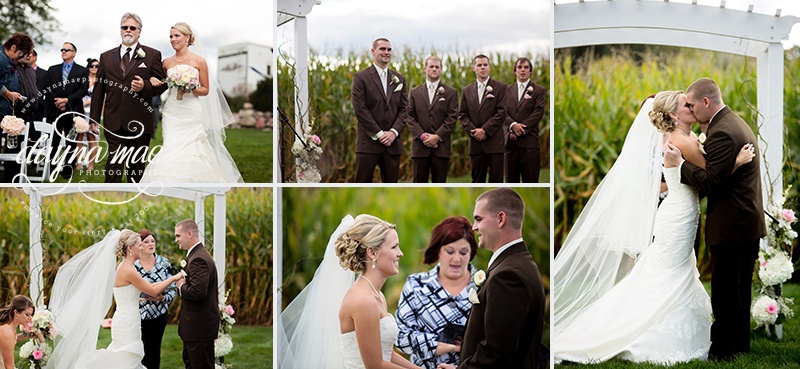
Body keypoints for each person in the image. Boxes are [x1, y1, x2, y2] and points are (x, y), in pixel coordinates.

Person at [553, 91, 755, 365]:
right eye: (686, 106)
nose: (692, 109)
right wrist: (736, 163)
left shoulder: (678, 138)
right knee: (670, 273)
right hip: (679, 215)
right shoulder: (682, 141)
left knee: (667, 270)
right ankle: (646, 329)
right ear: (673, 114)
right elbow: (711, 180)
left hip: (676, 212)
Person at [664, 77, 766, 360]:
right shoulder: (734, 122)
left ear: (706, 102)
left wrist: (681, 165)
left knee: (725, 293)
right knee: (739, 291)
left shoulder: (722, 132)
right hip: (746, 221)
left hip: (732, 224)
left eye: (693, 105)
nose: (692, 111)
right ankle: (738, 345)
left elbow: (711, 183)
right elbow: (720, 176)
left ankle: (723, 351)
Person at [279, 214, 421, 369]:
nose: (400, 253)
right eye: (394, 247)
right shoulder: (363, 301)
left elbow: (386, 353)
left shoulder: (377, 295)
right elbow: (375, 365)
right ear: (372, 253)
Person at [45, 229, 183, 369]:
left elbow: (149, 286)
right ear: (130, 248)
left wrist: (168, 281)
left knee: (127, 359)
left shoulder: (128, 267)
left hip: (129, 319)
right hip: (126, 322)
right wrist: (174, 278)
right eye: (140, 245)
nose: (142, 248)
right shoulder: (127, 270)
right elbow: (152, 291)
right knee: (126, 359)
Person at [143, 22, 242, 183]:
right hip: (172, 111)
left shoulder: (199, 61)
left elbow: (205, 90)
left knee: (193, 148)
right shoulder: (166, 62)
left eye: (177, 36)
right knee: (171, 146)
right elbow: (160, 82)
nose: (173, 39)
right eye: (171, 36)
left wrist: (188, 88)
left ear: (187, 38)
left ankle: (194, 182)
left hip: (191, 110)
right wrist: (153, 79)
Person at [90, 12, 167, 183]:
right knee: (114, 162)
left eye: (133, 28)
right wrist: (94, 118)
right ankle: (111, 197)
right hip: (113, 117)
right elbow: (99, 89)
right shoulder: (106, 56)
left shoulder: (152, 55)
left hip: (140, 120)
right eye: (125, 27)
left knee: (137, 164)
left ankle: (136, 198)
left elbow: (163, 83)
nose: (128, 30)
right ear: (120, 30)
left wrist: (144, 86)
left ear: (139, 31)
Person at [396, 216, 478, 369]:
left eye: (463, 252)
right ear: (438, 250)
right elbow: (400, 338)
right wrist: (451, 346)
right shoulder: (416, 285)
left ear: (471, 253)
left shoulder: (485, 285)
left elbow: (497, 341)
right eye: (449, 251)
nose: (456, 259)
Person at [351, 38, 408, 183]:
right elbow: (360, 109)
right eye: (382, 49)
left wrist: (393, 132)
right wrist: (380, 134)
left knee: (392, 186)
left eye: (389, 49)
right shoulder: (361, 77)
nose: (386, 52)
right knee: (362, 184)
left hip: (392, 144)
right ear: (373, 51)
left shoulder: (399, 79)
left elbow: (404, 110)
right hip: (369, 143)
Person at [174, 219, 220, 369]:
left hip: (199, 329)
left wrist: (181, 287)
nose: (176, 240)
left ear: (189, 233)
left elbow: (197, 292)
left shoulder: (198, 258)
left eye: (178, 236)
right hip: (197, 328)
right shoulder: (197, 255)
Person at [405, 55, 458, 183]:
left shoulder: (450, 92)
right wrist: (422, 136)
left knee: (440, 184)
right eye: (431, 66)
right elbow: (409, 116)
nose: (434, 69)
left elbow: (452, 117)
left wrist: (437, 136)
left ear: (441, 69)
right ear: (425, 68)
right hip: (420, 147)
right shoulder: (414, 92)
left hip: (441, 148)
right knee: (418, 184)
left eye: (437, 67)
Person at [459, 54, 507, 183]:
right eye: (479, 65)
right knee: (476, 180)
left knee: (496, 181)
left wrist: (485, 130)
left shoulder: (501, 88)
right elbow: (462, 115)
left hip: (495, 142)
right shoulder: (466, 90)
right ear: (473, 68)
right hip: (476, 144)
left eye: (485, 65)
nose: (482, 67)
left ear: (489, 67)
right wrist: (474, 132)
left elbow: (502, 112)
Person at [44, 42, 89, 179]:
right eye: (62, 49)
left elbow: (83, 90)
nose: (63, 51)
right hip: (54, 110)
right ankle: (51, 168)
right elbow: (46, 88)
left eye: (67, 50)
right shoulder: (52, 70)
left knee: (71, 141)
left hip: (73, 111)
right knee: (54, 141)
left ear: (74, 53)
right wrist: (57, 101)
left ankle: (68, 168)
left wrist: (66, 100)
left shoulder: (82, 71)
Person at [134, 229, 176, 369]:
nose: (151, 244)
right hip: (136, 314)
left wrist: (162, 297)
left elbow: (172, 286)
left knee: (153, 351)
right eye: (146, 242)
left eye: (153, 241)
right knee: (136, 352)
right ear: (139, 245)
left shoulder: (164, 263)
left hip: (158, 314)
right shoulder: (133, 265)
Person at [503, 57, 546, 183]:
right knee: (511, 181)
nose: (522, 70)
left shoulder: (539, 90)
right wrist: (512, 125)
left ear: (530, 72)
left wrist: (520, 129)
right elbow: (502, 112)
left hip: (529, 143)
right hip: (510, 143)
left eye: (526, 67)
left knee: (531, 180)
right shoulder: (506, 91)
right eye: (519, 67)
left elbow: (538, 113)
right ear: (515, 72)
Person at [0, 33, 34, 183]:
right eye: (20, 54)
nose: (20, 58)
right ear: (13, 47)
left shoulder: (9, 61)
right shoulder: (1, 59)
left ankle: (9, 182)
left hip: (7, 112)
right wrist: (8, 94)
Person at [0, 295, 36, 369]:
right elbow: (9, 366)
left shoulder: (10, 326)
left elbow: (12, 340)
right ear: (16, 312)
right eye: (27, 315)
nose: (30, 318)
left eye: (31, 315)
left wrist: (28, 335)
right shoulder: (7, 331)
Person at [76, 57, 99, 171]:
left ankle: (90, 166)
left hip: (93, 111)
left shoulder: (101, 81)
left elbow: (102, 97)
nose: (94, 68)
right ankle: (78, 164)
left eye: (97, 66)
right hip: (81, 110)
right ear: (88, 67)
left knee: (91, 137)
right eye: (92, 66)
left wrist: (88, 102)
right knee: (79, 136)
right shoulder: (83, 79)